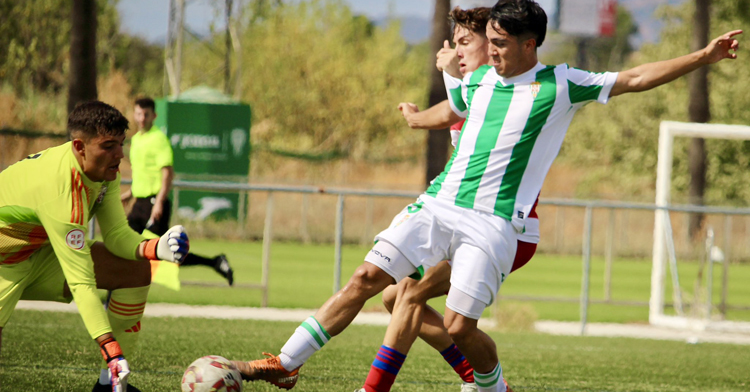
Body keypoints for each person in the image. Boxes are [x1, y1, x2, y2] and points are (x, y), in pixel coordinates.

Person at [231, 1, 741, 391]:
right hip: (438, 203)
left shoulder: (561, 85)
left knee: (458, 325)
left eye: (498, 42)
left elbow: (633, 77)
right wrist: (414, 115)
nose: (488, 49)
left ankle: (493, 386)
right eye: (487, 40)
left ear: (529, 44)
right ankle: (285, 364)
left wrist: (704, 55)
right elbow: (448, 111)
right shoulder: (476, 82)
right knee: (368, 279)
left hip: (494, 223)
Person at [357, 7, 538, 392]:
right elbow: (451, 111)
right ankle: (476, 375)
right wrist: (424, 107)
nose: (456, 51)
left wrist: (450, 78)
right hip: (469, 219)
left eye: (464, 43)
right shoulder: (473, 89)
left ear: (492, 47)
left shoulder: (498, 92)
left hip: (506, 229)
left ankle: (375, 389)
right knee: (394, 296)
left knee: (408, 294)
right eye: (454, 44)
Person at [0, 101, 189, 392]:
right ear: (79, 147)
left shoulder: (102, 171)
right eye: (108, 145)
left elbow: (115, 234)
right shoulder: (61, 191)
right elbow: (81, 282)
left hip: (40, 252)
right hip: (4, 264)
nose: (119, 155)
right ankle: (113, 365)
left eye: (121, 144)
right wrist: (110, 346)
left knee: (135, 271)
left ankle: (107, 386)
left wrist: (156, 247)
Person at [120, 97, 234, 286]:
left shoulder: (159, 139)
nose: (142, 118)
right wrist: (131, 193)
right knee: (124, 247)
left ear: (154, 116)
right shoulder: (137, 140)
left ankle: (214, 262)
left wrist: (159, 202)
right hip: (139, 203)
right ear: (134, 114)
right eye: (139, 114)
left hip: (154, 203)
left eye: (146, 114)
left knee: (166, 253)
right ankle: (113, 294)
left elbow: (167, 174)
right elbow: (143, 172)